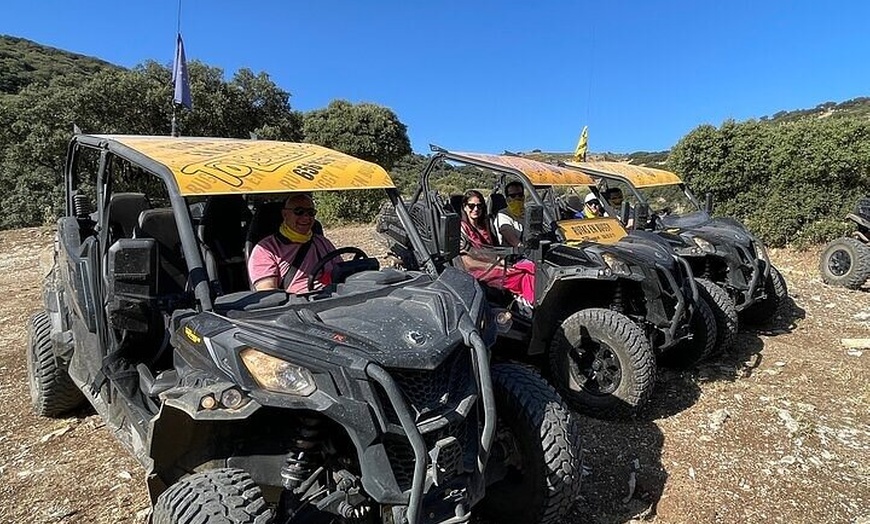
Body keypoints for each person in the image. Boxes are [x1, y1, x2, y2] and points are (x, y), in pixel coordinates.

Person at [459, 189, 536, 314]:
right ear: (465, 207)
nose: (475, 209)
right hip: (478, 270)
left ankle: (527, 301)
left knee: (531, 267)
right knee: (522, 275)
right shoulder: (462, 229)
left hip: (495, 263)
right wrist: (493, 265)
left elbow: (493, 249)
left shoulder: (484, 225)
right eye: (471, 206)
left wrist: (500, 261)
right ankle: (526, 305)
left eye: (479, 206)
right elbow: (465, 261)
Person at [248, 193, 337, 294]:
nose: (306, 218)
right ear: (285, 214)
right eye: (299, 212)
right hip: (297, 304)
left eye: (311, 212)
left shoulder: (322, 242)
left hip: (332, 297)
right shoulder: (266, 249)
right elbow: (268, 296)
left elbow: (343, 271)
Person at [494, 180, 526, 247]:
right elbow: (514, 241)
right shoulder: (503, 215)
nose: (517, 198)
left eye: (520, 195)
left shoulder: (527, 213)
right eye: (513, 196)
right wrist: (524, 248)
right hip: (513, 253)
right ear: (507, 199)